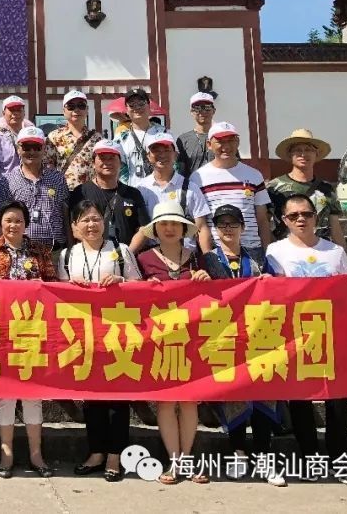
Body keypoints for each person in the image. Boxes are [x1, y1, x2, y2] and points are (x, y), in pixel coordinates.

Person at [265, 194, 347, 486]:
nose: (301, 219)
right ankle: (310, 458)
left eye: (307, 214)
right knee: (300, 400)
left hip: (332, 334)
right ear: (283, 220)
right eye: (294, 215)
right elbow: (270, 294)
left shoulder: (334, 251)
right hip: (295, 336)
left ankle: (339, 459)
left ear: (316, 217)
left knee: (338, 400)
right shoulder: (275, 251)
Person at [57, 200, 141, 482]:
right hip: (84, 336)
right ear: (74, 227)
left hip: (117, 333)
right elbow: (59, 293)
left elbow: (140, 288)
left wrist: (120, 282)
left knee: (117, 397)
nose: (91, 225)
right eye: (84, 220)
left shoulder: (121, 250)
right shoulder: (67, 255)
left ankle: (115, 455)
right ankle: (96, 452)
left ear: (104, 223)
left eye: (95, 219)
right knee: (91, 397)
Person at [199, 204, 283, 485]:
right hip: (225, 338)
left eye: (233, 223)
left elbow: (279, 290)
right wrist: (199, 282)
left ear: (243, 227)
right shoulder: (207, 260)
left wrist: (271, 282)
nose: (228, 229)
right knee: (233, 398)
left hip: (259, 337)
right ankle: (238, 453)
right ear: (215, 229)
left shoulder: (258, 257)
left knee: (263, 397)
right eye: (222, 224)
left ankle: (264, 456)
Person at [0, 201, 55, 479]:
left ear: (26, 223)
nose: (13, 225)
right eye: (8, 220)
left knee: (33, 394)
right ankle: (6, 453)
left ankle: (36, 453)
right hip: (1, 333)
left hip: (33, 330)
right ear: (0, 223)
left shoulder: (40, 252)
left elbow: (54, 287)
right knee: (5, 394)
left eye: (19, 220)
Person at [135, 201, 211, 484]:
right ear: (155, 229)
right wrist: (144, 289)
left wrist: (206, 280)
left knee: (189, 401)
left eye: (174, 223)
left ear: (183, 228)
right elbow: (131, 297)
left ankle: (187, 459)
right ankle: (173, 461)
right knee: (166, 402)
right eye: (163, 224)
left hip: (192, 338)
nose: (169, 228)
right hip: (159, 339)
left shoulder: (197, 258)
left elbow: (216, 297)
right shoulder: (143, 259)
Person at [192, 122, 271, 254]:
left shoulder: (254, 175)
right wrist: (209, 256)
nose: (226, 146)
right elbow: (201, 224)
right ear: (209, 145)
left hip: (252, 250)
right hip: (218, 251)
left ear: (238, 142)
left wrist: (267, 253)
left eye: (231, 140)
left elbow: (262, 219)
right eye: (220, 142)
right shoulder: (198, 178)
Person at [132, 132, 211, 253]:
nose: (162, 155)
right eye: (156, 150)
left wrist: (209, 258)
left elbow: (201, 227)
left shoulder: (191, 188)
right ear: (148, 156)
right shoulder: (140, 189)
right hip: (152, 257)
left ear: (175, 154)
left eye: (167, 150)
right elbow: (138, 228)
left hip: (186, 256)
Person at [267, 128, 345, 246]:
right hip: (287, 251)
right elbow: (264, 223)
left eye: (308, 150)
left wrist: (343, 253)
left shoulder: (327, 189)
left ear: (316, 154)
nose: (303, 154)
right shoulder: (274, 188)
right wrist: (274, 248)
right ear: (290, 154)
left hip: (321, 250)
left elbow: (335, 226)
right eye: (298, 150)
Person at [0, 126, 69, 252]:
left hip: (54, 251)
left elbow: (65, 213)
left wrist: (70, 247)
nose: (31, 152)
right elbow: (2, 219)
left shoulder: (58, 178)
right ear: (18, 149)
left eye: (36, 147)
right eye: (26, 147)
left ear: (44, 149)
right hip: (21, 252)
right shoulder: (7, 181)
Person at [67, 140, 148, 250]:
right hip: (91, 255)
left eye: (112, 158)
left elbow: (143, 230)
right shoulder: (81, 192)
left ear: (121, 163)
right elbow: (74, 228)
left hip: (126, 257)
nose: (107, 162)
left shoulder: (133, 194)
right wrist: (100, 254)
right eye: (102, 158)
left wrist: (127, 254)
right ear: (93, 163)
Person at [45, 90, 103, 190]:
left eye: (81, 106)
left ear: (87, 110)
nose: (76, 110)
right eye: (71, 106)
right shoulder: (53, 137)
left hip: (89, 193)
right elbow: (48, 168)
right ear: (64, 111)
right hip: (62, 192)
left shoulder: (97, 138)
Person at [113, 87, 167, 186]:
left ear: (149, 106)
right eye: (132, 105)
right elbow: (118, 169)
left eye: (141, 104)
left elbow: (174, 164)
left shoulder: (164, 133)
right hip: (132, 191)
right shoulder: (120, 139)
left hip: (160, 189)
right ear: (126, 110)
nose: (137, 108)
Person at [0, 95, 31, 178]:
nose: (16, 113)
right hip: (5, 184)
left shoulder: (31, 136)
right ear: (3, 113)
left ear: (24, 113)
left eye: (19, 110)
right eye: (12, 110)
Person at [175, 92, 216, 179]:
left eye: (207, 107)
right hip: (192, 185)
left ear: (214, 111)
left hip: (217, 185)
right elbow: (180, 172)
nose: (203, 111)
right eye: (197, 108)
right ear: (191, 112)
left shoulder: (222, 137)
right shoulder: (183, 139)